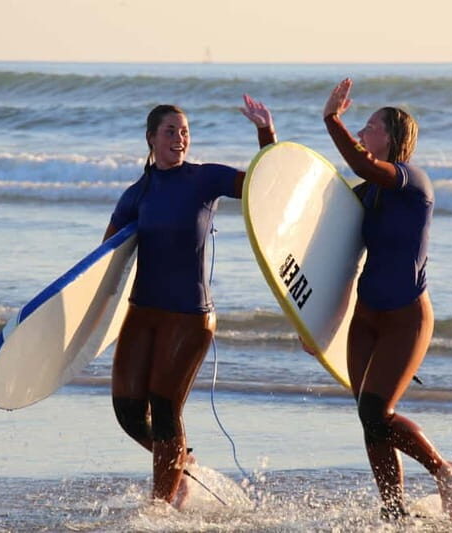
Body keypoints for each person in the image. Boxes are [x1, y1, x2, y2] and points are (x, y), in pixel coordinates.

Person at [103, 96, 274, 507]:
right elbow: (105, 259)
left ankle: (162, 503)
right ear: (151, 138)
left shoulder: (204, 179)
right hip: (143, 312)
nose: (180, 138)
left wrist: (265, 133)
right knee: (128, 411)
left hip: (189, 315)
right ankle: (181, 463)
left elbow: (263, 184)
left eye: (184, 132)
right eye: (170, 131)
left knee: (165, 407)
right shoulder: (136, 195)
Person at [320, 78, 452, 520]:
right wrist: (313, 319)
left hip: (406, 318)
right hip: (366, 317)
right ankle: (393, 509)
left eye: (370, 126)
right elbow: (327, 247)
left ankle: (442, 470)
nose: (362, 131)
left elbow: (363, 165)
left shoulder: (410, 181)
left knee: (375, 409)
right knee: (370, 418)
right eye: (360, 126)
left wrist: (332, 120)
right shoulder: (367, 193)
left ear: (392, 137)